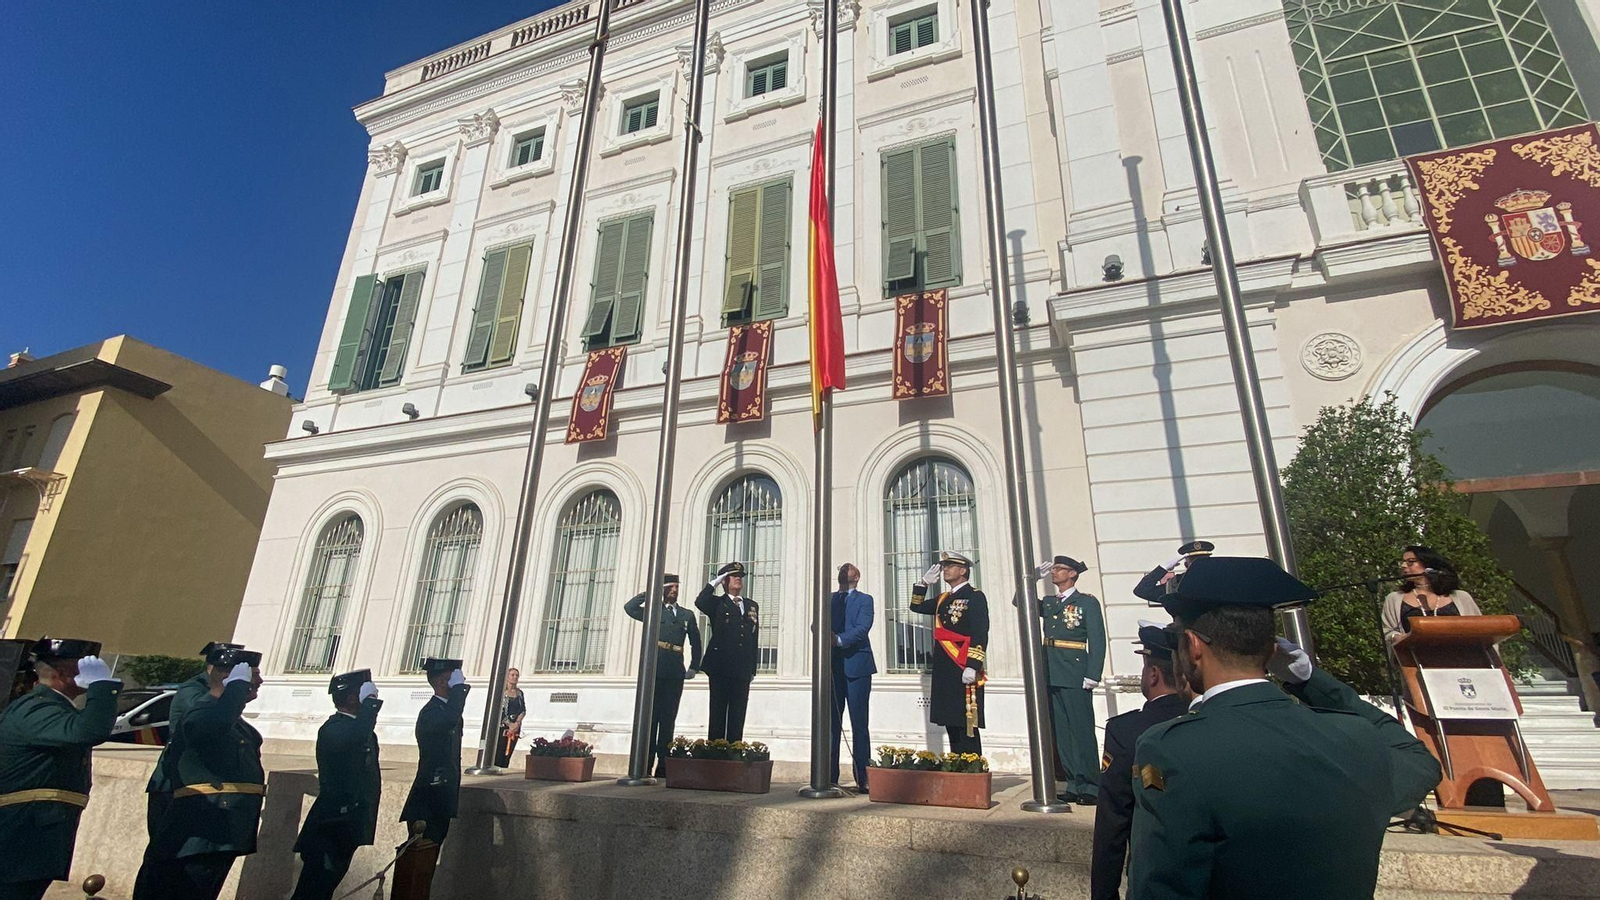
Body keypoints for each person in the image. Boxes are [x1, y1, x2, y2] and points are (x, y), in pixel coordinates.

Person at [1128, 557, 1442, 900]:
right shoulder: (1356, 738)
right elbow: (1420, 760)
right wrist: (1308, 678)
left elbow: (1161, 886)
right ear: (1273, 648)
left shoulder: (1171, 749)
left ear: (1192, 645)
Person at [136, 646, 266, 900]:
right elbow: (208, 723)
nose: (259, 681)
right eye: (252, 675)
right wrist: (234, 691)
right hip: (183, 796)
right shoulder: (195, 695)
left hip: (216, 810)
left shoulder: (230, 714)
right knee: (169, 873)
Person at [0, 638, 122, 900]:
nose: (85, 672)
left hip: (33, 833)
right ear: (60, 674)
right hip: (20, 834)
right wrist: (102, 687)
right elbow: (89, 730)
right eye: (79, 667)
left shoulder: (50, 706)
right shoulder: (37, 708)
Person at [1090, 623, 1188, 900]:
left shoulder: (1127, 730)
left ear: (1153, 675)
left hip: (1154, 880)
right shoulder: (1210, 720)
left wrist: (1104, 894)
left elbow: (1113, 823)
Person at [290, 670, 382, 900]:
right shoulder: (335, 729)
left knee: (324, 889)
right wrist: (370, 705)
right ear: (353, 698)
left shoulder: (359, 731)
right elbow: (355, 738)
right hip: (330, 827)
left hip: (347, 826)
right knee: (312, 891)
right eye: (365, 693)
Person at [140, 642, 243, 849]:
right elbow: (202, 716)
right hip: (173, 780)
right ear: (213, 669)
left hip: (196, 781)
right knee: (165, 850)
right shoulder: (193, 689)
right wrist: (224, 691)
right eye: (228, 670)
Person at [1032, 554, 1104, 804]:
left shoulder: (1086, 602)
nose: (1054, 573)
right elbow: (1020, 602)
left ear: (1072, 574)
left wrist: (1093, 673)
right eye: (1053, 569)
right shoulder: (1051, 603)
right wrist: (1031, 580)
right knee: (1062, 732)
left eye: (1059, 569)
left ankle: (1092, 785)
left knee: (1081, 730)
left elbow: (1097, 639)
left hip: (1075, 671)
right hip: (1052, 671)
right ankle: (1073, 782)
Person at [910, 551, 989, 754]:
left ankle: (972, 767)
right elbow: (916, 607)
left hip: (962, 664)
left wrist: (973, 665)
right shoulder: (944, 598)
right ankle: (957, 765)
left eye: (949, 566)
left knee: (966, 722)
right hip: (945, 666)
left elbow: (980, 632)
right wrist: (923, 584)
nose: (945, 569)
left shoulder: (974, 596)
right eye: (944, 566)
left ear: (963, 570)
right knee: (950, 719)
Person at [624, 574, 703, 775]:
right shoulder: (653, 611)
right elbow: (630, 608)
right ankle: (645, 764)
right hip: (655, 669)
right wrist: (649, 594)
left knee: (668, 720)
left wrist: (694, 666)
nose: (674, 591)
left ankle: (663, 766)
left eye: (676, 587)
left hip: (675, 670)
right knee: (651, 718)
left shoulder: (686, 615)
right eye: (669, 587)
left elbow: (696, 642)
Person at [399, 658, 470, 851]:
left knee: (430, 857)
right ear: (441, 682)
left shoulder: (449, 712)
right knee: (418, 863)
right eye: (453, 678)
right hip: (428, 800)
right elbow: (447, 720)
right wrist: (458, 691)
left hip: (442, 798)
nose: (460, 681)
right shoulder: (431, 713)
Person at [696, 562, 759, 742]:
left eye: (740, 576)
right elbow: (700, 601)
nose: (738, 578)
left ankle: (734, 753)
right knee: (718, 713)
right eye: (733, 575)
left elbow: (753, 637)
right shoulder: (717, 603)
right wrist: (714, 582)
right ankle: (715, 755)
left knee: (738, 715)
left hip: (742, 669)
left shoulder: (751, 605)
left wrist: (752, 668)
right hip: (721, 667)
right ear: (725, 581)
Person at [830, 563, 876, 792]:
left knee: (859, 723)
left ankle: (863, 777)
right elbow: (815, 623)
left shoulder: (864, 600)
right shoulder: (829, 598)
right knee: (830, 725)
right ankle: (828, 775)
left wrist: (838, 640)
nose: (843, 569)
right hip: (832, 668)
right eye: (842, 567)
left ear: (856, 576)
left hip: (857, 666)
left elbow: (862, 628)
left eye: (848, 568)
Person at [1383, 545, 1482, 646]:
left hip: (1460, 658)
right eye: (1403, 562)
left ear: (1428, 565)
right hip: (1414, 659)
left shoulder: (1461, 597)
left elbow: (1481, 629)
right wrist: (1396, 637)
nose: (1403, 565)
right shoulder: (1395, 598)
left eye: (1410, 561)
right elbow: (1387, 631)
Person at [1133, 540, 1213, 603]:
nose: (1199, 565)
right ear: (1186, 565)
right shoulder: (1176, 583)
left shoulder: (1219, 578)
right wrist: (1163, 568)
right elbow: (1142, 591)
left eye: (1202, 561)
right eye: (1195, 562)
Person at [493, 668, 527, 769]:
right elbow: (499, 710)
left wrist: (517, 723)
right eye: (512, 675)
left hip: (515, 727)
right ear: (507, 677)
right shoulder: (502, 692)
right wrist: (509, 724)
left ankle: (505, 767)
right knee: (499, 750)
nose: (515, 677)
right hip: (503, 726)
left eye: (517, 675)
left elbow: (523, 709)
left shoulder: (520, 693)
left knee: (508, 752)